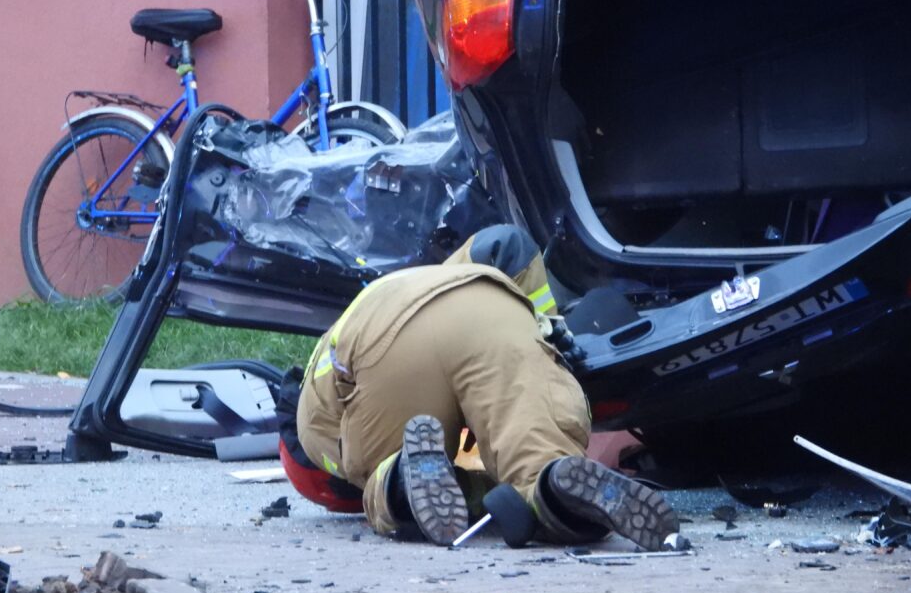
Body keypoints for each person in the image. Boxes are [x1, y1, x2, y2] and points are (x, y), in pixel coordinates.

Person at [277, 224, 679, 548]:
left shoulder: (310, 422)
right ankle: (554, 492)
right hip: (491, 308)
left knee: (380, 472)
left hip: (388, 349)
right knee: (534, 459)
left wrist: (375, 478)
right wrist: (549, 334)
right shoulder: (429, 273)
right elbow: (507, 242)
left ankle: (400, 480)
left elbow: (354, 459)